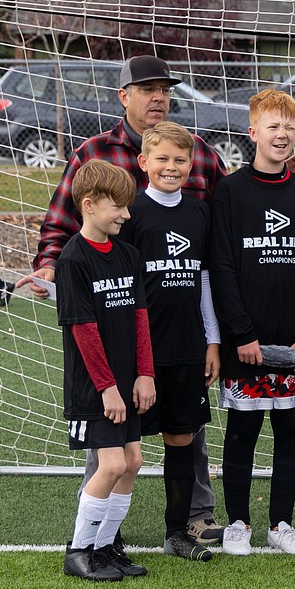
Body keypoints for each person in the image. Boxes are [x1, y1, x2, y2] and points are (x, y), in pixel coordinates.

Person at [16, 55, 295, 546]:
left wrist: (275, 174)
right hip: (120, 328)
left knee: (187, 434)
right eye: (146, 89)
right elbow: (62, 223)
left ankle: (192, 517)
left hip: (183, 330)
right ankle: (102, 534)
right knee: (114, 440)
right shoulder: (93, 153)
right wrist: (49, 264)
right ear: (124, 96)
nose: (158, 97)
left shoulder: (202, 153)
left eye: (164, 89)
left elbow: (231, 208)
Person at [209, 89, 295, 556]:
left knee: (291, 432)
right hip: (248, 343)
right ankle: (238, 521)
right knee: (242, 431)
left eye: (289, 128)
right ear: (252, 131)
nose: (281, 135)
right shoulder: (231, 193)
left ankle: (282, 524)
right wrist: (241, 333)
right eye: (272, 127)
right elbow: (222, 266)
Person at [118, 122, 220, 562]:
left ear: (191, 163)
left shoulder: (199, 213)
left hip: (186, 349)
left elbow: (204, 279)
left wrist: (212, 342)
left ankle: (177, 532)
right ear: (144, 162)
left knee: (182, 439)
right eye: (162, 159)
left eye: (181, 159)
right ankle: (106, 534)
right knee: (123, 449)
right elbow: (118, 286)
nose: (172, 167)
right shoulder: (129, 213)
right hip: (138, 352)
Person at [57, 160, 155, 580]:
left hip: (126, 381)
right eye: (119, 207)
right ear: (90, 204)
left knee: (132, 461)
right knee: (111, 465)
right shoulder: (73, 260)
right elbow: (84, 330)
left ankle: (104, 549)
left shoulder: (127, 254)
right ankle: (78, 552)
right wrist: (107, 388)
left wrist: (145, 373)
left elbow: (139, 318)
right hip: (95, 388)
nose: (126, 215)